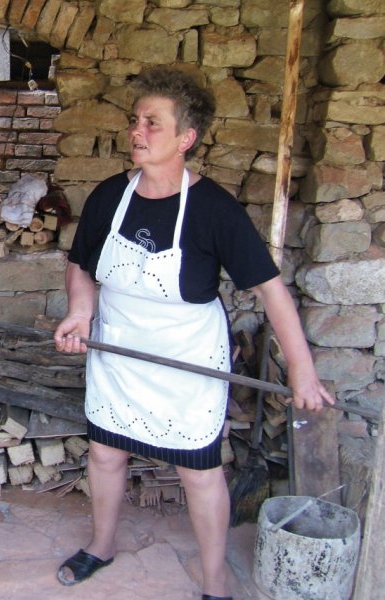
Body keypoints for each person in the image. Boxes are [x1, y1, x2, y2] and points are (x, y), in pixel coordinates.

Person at [52, 66, 334, 599]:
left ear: (186, 138)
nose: (137, 131)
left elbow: (272, 290)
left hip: (187, 359)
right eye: (136, 121)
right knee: (106, 454)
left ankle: (215, 581)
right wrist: (80, 311)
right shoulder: (109, 196)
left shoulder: (214, 210)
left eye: (152, 123)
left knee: (199, 473)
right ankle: (102, 545)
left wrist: (302, 369)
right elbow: (81, 264)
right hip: (119, 350)